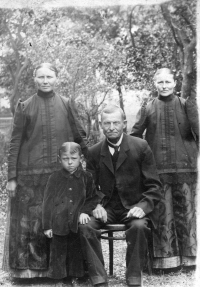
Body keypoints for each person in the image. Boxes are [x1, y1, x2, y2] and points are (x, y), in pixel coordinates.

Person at [3, 63, 87, 278]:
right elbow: (15, 143)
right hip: (29, 176)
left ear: (56, 78)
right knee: (31, 223)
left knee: (59, 220)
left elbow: (80, 137)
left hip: (60, 175)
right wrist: (11, 177)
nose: (45, 81)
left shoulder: (67, 104)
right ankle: (28, 273)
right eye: (41, 77)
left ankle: (60, 272)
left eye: (49, 76)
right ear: (34, 79)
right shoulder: (24, 106)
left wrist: (89, 169)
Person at [79, 105, 162, 287]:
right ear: (101, 125)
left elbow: (154, 186)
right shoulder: (93, 152)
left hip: (133, 206)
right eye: (107, 123)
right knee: (85, 227)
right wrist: (96, 206)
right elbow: (89, 187)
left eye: (116, 122)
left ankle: (133, 277)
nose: (111, 127)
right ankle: (99, 279)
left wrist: (142, 207)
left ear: (124, 124)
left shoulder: (140, 146)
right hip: (106, 208)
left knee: (139, 226)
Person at [131, 68, 198, 270]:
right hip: (157, 170)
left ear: (175, 83)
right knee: (163, 213)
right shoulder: (148, 107)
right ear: (155, 84)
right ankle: (165, 261)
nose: (165, 86)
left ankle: (191, 259)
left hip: (186, 168)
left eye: (168, 82)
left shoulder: (187, 105)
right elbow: (135, 136)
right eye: (160, 83)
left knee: (187, 213)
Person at [42, 142, 99, 282]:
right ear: (59, 159)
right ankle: (59, 277)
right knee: (58, 249)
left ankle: (77, 276)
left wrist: (85, 212)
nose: (70, 163)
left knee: (76, 249)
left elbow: (93, 198)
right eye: (65, 159)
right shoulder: (54, 178)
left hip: (76, 221)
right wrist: (47, 226)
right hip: (59, 222)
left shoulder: (87, 177)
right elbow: (47, 202)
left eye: (73, 159)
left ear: (81, 159)